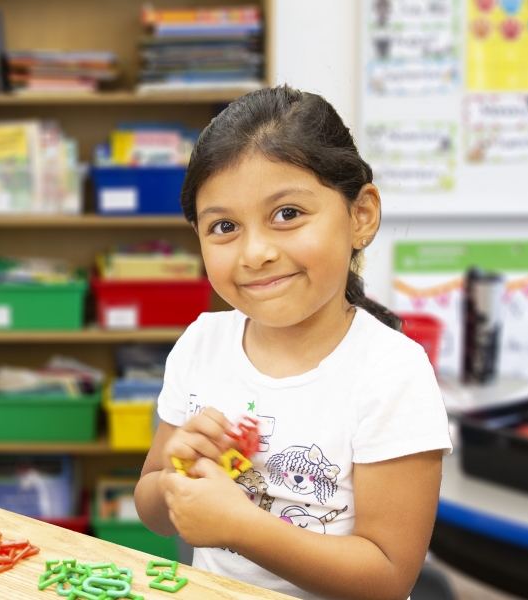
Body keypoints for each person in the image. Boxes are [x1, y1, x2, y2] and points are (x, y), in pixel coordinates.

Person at [134, 85, 453, 600]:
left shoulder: (391, 371)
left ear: (361, 216)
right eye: (224, 226)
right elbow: (151, 510)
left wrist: (241, 525)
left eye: (287, 214)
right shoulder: (201, 344)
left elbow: (388, 577)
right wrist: (176, 474)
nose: (255, 252)